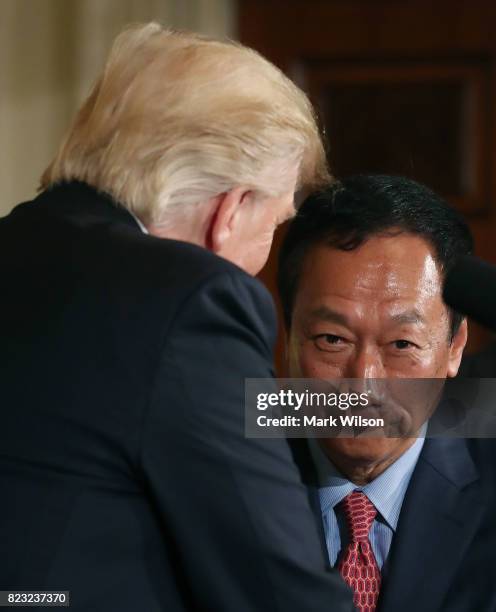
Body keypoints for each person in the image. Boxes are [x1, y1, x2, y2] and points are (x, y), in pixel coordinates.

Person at [0, 23, 353, 612]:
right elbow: (276, 590)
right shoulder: (190, 301)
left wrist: (453, 408)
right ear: (231, 211)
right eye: (276, 223)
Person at [277, 175, 496, 612]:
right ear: (287, 339)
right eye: (331, 339)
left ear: (454, 348)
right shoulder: (223, 469)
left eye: (401, 345)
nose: (365, 381)